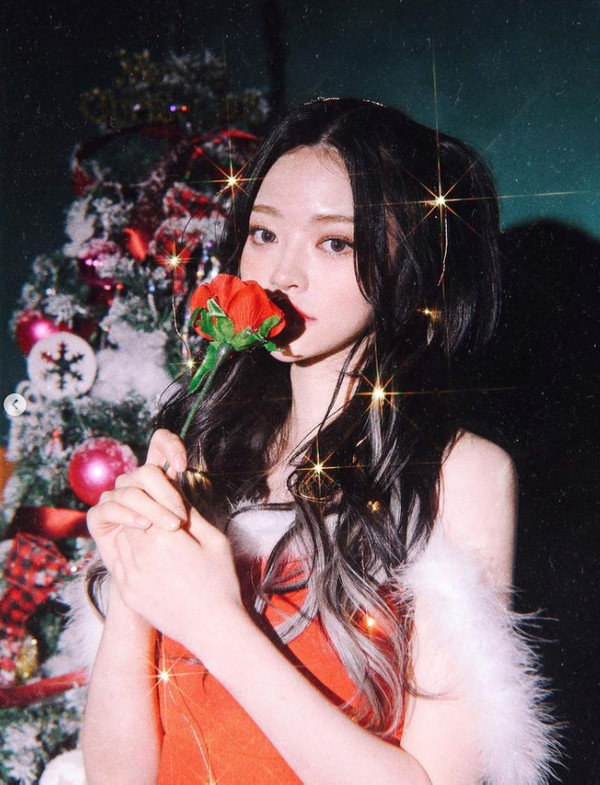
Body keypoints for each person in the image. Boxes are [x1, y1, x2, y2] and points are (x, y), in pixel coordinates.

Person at [82, 98, 557, 784]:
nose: (281, 274)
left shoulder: (457, 475)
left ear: (410, 262)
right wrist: (133, 582)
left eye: (335, 242)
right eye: (264, 233)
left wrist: (212, 619)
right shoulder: (205, 451)